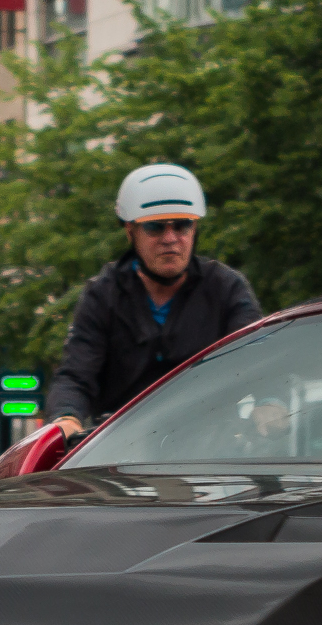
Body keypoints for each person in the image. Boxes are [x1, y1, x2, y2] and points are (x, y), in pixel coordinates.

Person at [41, 164, 262, 437]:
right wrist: (66, 416)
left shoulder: (226, 288)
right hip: (121, 450)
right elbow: (76, 374)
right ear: (130, 231)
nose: (170, 239)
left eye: (182, 226)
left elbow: (258, 359)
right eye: (155, 228)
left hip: (210, 444)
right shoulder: (102, 295)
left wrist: (269, 404)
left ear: (195, 229)